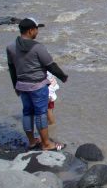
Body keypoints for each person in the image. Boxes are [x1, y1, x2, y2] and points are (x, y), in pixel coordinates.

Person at [6, 18, 68, 151]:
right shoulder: (38, 47)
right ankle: (46, 144)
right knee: (41, 114)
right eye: (36, 29)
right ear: (30, 30)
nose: (37, 31)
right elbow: (50, 65)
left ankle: (32, 141)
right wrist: (63, 76)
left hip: (22, 86)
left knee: (27, 113)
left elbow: (12, 69)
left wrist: (15, 86)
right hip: (38, 86)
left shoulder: (10, 47)